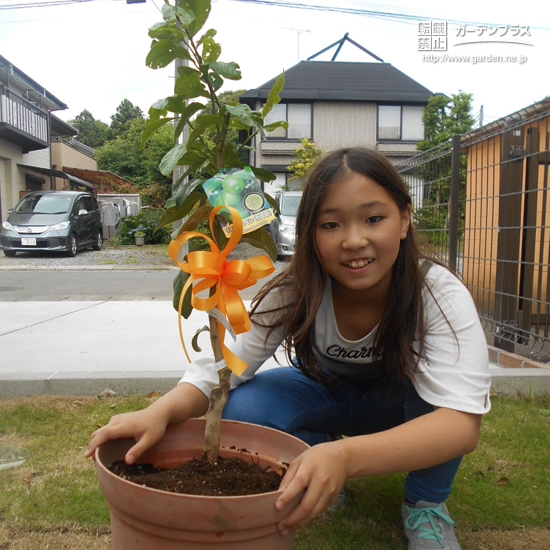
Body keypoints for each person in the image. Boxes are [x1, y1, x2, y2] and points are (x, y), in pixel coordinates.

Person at [86, 147, 491, 550]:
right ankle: (316, 467)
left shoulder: (437, 294)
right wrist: (158, 412)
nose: (353, 240)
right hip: (326, 391)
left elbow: (459, 425)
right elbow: (228, 366)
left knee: (439, 407)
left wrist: (346, 456)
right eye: (331, 224)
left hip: (398, 405)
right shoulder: (297, 290)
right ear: (309, 233)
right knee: (244, 409)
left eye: (373, 219)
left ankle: (424, 504)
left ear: (404, 219)